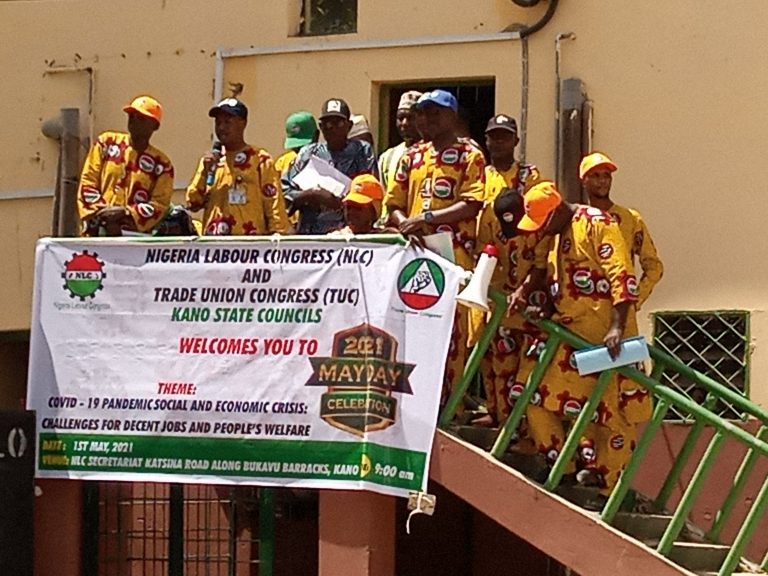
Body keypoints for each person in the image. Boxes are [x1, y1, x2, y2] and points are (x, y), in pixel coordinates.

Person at [513, 180, 640, 492]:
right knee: (533, 397)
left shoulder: (598, 224)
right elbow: (551, 277)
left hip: (607, 342)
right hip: (570, 336)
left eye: (543, 222)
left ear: (556, 211)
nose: (540, 230)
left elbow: (621, 275)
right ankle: (564, 467)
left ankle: (607, 485)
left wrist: (616, 327)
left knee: (612, 416)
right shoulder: (555, 236)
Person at [385, 88, 486, 398]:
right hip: (415, 257)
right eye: (422, 113)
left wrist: (426, 218)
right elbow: (393, 203)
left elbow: (473, 203)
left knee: (452, 334)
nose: (426, 118)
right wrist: (403, 221)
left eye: (434, 112)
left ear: (451, 116)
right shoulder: (412, 155)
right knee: (413, 329)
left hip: (453, 258)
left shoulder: (470, 154)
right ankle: (416, 399)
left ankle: (448, 404)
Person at [580, 151, 664, 423]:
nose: (602, 181)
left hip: (621, 317)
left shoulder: (629, 219)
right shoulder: (577, 220)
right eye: (596, 175)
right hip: (587, 316)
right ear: (584, 181)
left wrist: (635, 299)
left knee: (625, 385)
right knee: (588, 386)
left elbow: (654, 265)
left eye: (607, 176)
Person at [471, 113, 541, 426]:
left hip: (524, 266)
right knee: (491, 353)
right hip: (490, 271)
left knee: (520, 354)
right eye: (493, 136)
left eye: (504, 136)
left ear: (515, 140)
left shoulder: (530, 176)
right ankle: (495, 411)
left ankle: (518, 423)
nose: (498, 142)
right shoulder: (480, 176)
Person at [186, 98, 289, 235]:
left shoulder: (260, 159)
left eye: (228, 122)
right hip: (214, 247)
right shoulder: (211, 161)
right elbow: (192, 203)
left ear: (243, 123)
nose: (221, 128)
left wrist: (278, 236)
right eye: (218, 123)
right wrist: (205, 173)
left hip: (249, 248)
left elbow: (273, 202)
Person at [77, 95, 173, 236]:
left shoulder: (162, 164)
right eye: (131, 116)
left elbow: (159, 205)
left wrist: (126, 213)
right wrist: (106, 217)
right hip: (96, 234)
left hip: (132, 241)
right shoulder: (106, 143)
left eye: (140, 118)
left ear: (154, 126)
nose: (134, 121)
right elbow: (88, 182)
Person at [282, 98, 378, 234]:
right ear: (320, 127)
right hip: (310, 235)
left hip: (348, 237)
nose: (331, 128)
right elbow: (284, 192)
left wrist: (343, 201)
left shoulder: (362, 151)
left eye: (337, 123)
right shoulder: (308, 153)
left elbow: (372, 194)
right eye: (326, 124)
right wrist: (311, 195)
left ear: (349, 126)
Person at [378, 90, 422, 190]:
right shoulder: (387, 157)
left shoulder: (432, 153)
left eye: (411, 118)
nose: (404, 123)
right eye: (401, 118)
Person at [275, 111, 318, 176]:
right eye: (295, 147)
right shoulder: (282, 163)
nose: (300, 152)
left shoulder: (326, 160)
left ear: (316, 135)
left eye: (303, 146)